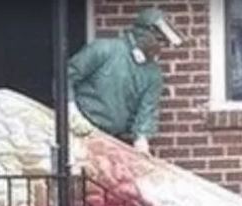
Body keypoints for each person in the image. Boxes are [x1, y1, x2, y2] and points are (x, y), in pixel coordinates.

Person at [68, 7, 182, 155]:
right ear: (145, 34)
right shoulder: (103, 50)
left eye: (165, 43)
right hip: (75, 129)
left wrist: (141, 140)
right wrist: (71, 112)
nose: (162, 47)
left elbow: (146, 112)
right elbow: (66, 77)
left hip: (109, 140)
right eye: (160, 41)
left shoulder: (153, 75)